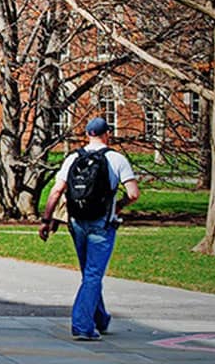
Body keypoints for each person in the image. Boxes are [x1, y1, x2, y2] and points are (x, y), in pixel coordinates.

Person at [39, 117, 139, 341]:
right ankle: (83, 325)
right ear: (107, 134)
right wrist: (119, 206)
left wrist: (47, 220)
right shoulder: (116, 159)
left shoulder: (73, 158)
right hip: (102, 223)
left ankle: (100, 319)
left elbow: (56, 191)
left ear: (87, 135)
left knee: (89, 273)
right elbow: (133, 193)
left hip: (77, 222)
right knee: (93, 275)